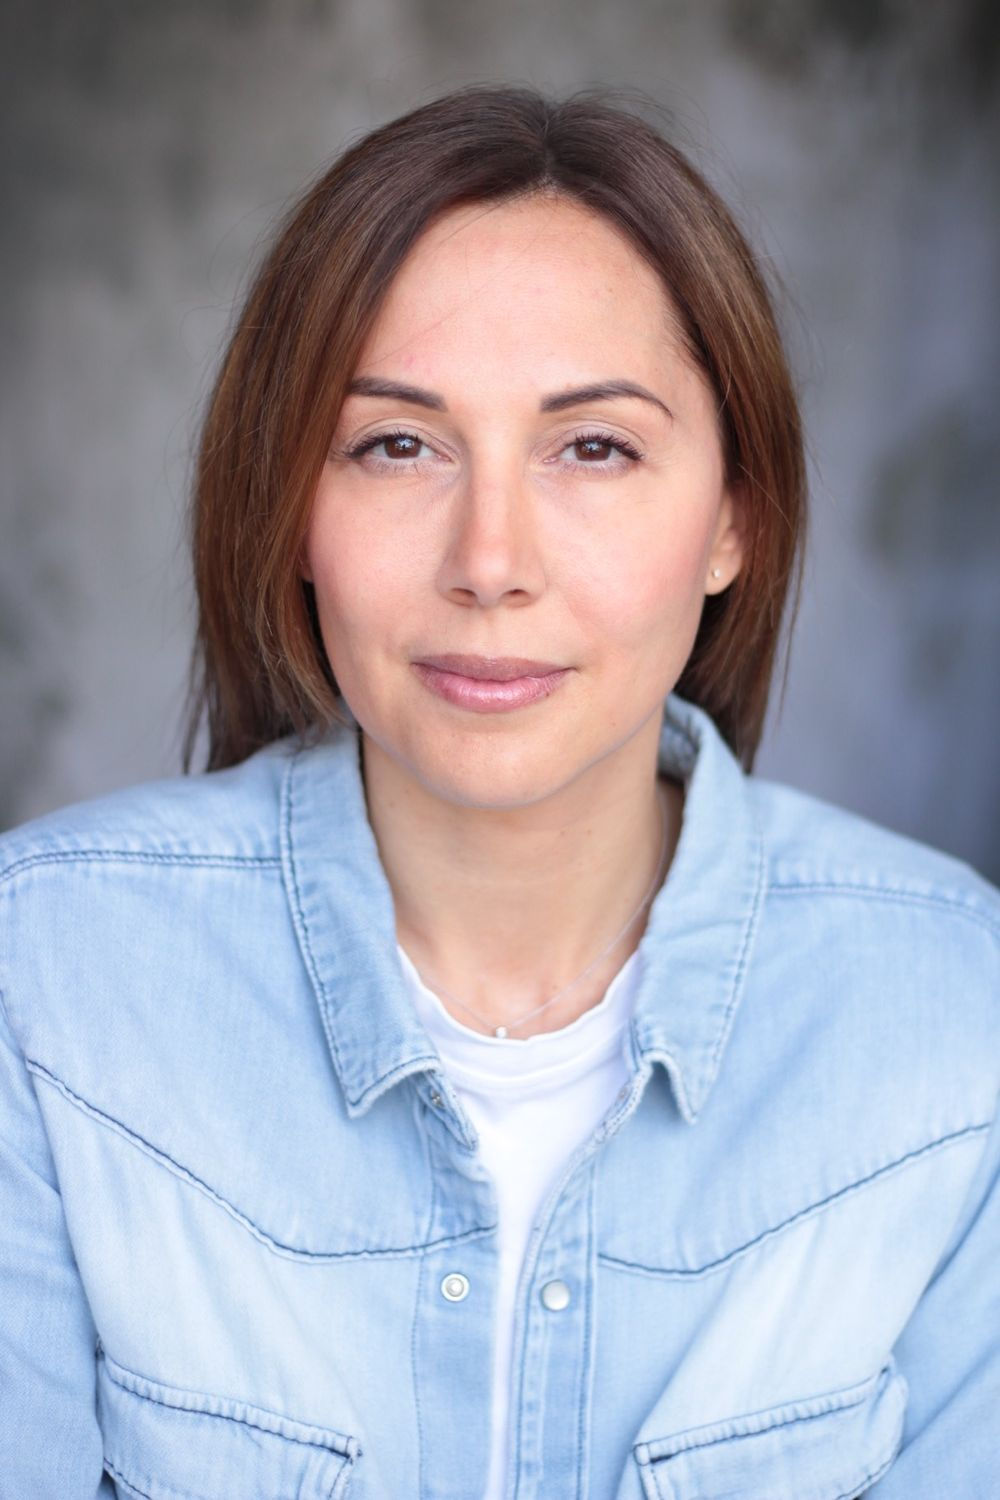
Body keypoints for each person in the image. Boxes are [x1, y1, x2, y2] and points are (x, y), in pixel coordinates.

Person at [0, 84, 997, 1500]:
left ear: (736, 517)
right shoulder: (44, 980)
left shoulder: (958, 1024)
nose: (489, 561)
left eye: (594, 447)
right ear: (293, 511)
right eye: (396, 444)